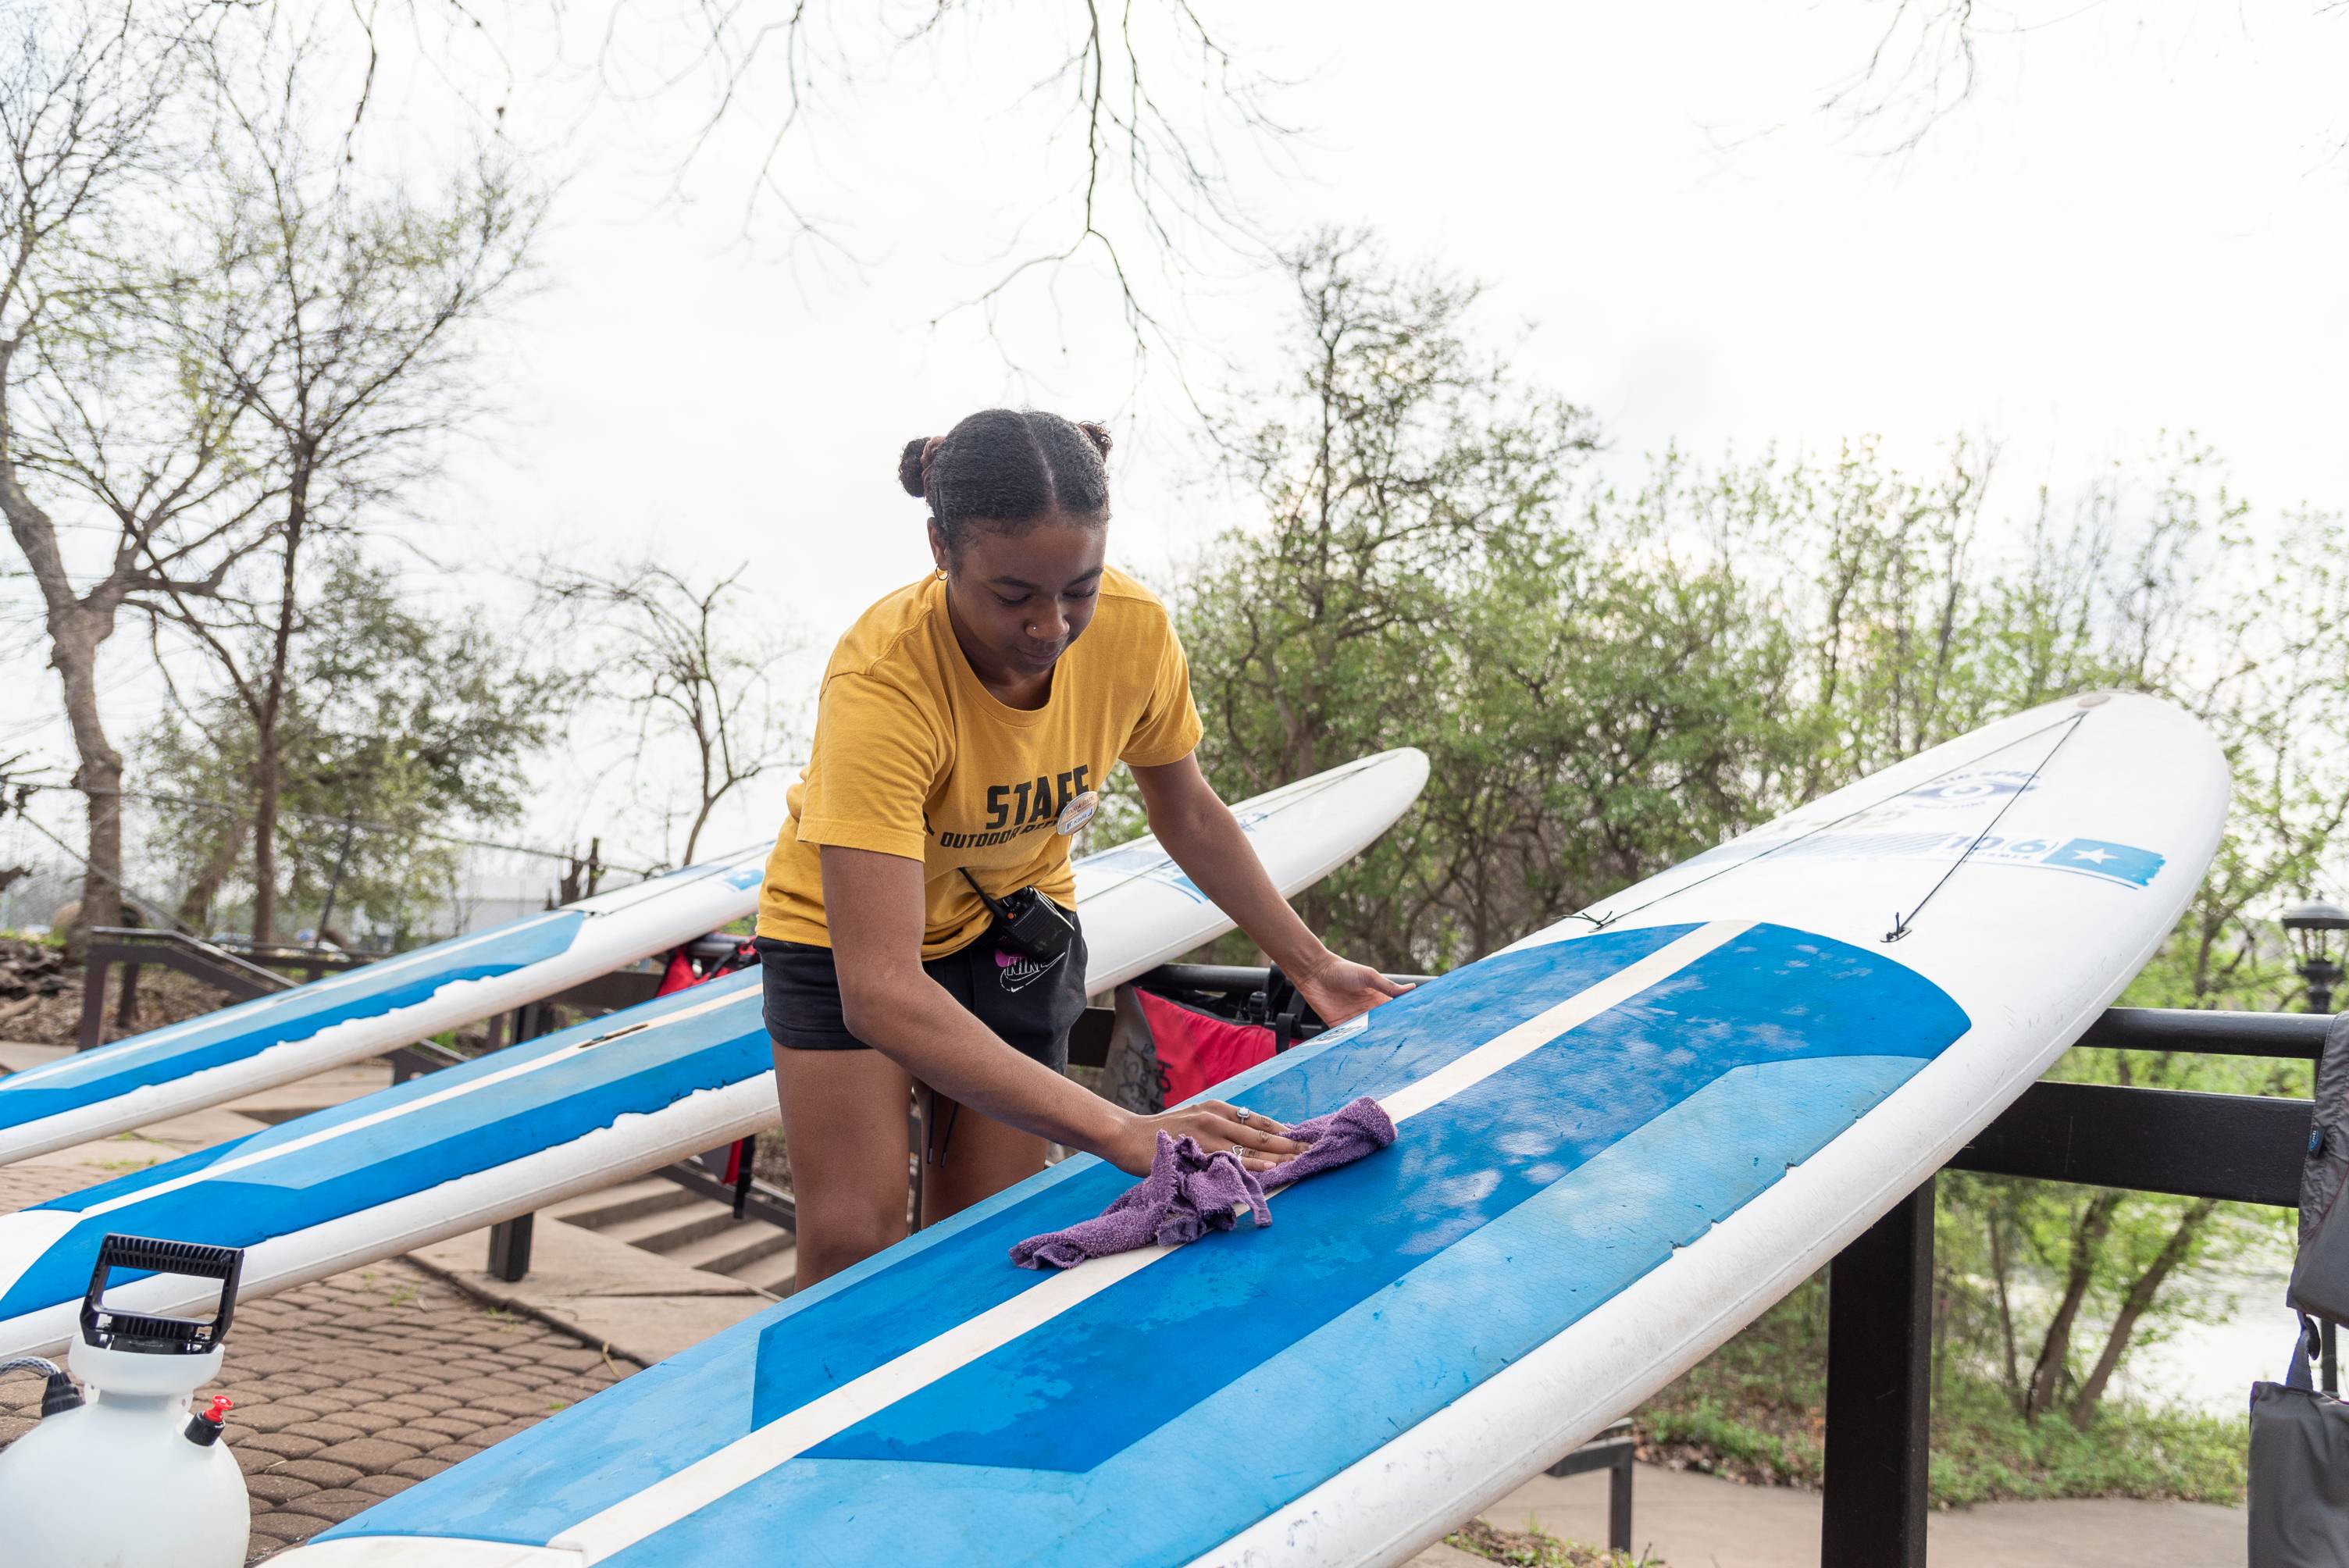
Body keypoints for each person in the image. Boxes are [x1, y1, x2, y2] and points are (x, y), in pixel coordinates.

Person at [753, 408, 1408, 1289]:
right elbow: (879, 991)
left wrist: (1310, 963)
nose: (1051, 626)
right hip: (848, 940)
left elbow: (1191, 814)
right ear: (940, 548)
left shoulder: (1134, 631)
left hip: (1010, 928)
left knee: (985, 1243)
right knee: (850, 1247)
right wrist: (1119, 1129)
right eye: (1014, 595)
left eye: (1078, 590)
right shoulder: (883, 681)